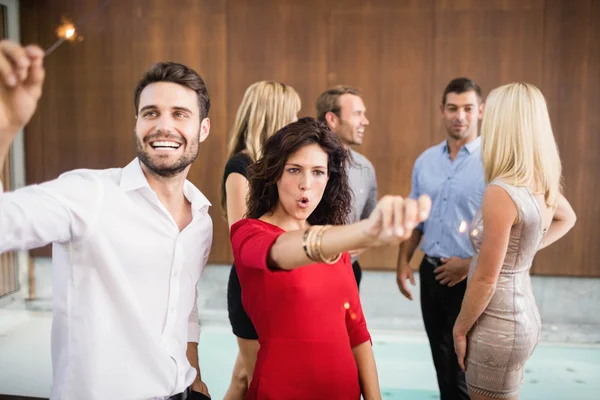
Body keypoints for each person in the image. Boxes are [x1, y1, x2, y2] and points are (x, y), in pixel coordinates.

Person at [0, 40, 212, 399]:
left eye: (179, 114)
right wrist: (4, 128)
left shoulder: (201, 219)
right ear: (136, 123)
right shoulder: (89, 194)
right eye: (150, 113)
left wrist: (194, 373)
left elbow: (185, 303)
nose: (163, 125)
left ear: (203, 129)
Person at [230, 117, 432, 399]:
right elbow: (280, 251)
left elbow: (357, 330)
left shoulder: (335, 243)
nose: (306, 185)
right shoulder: (248, 234)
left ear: (329, 178)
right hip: (281, 391)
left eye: (318, 172)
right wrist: (365, 231)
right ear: (275, 173)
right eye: (294, 170)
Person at [453, 82, 576, 400]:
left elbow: (485, 279)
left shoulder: (502, 191)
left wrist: (460, 328)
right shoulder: (539, 180)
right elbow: (567, 217)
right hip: (524, 314)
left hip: (497, 320)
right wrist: (523, 252)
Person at [396, 77, 486, 400]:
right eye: (452, 108)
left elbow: (507, 230)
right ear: (442, 111)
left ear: (480, 111)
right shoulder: (425, 162)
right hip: (431, 274)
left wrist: (470, 264)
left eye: (467, 108)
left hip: (472, 278)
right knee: (442, 364)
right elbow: (416, 219)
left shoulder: (493, 162)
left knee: (467, 367)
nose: (459, 115)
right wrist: (403, 262)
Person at [221, 81, 301, 399]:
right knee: (263, 384)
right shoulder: (240, 167)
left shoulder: (275, 166)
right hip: (254, 290)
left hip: (278, 285)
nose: (297, 121)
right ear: (276, 115)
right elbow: (244, 243)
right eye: (292, 114)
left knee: (243, 378)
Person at [316, 85, 377, 287]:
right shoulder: (303, 165)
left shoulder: (365, 169)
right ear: (332, 119)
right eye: (358, 114)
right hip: (309, 270)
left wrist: (363, 242)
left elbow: (370, 221)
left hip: (350, 272)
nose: (365, 121)